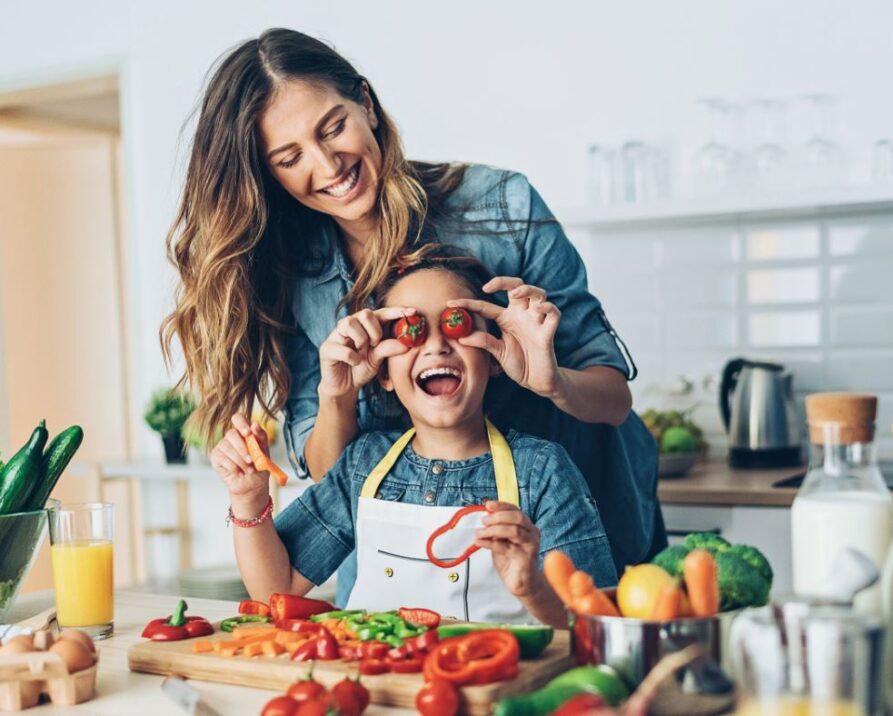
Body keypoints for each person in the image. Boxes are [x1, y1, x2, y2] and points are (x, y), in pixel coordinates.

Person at [160, 28, 663, 597]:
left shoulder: (504, 205)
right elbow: (332, 474)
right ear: (267, 172)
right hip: (401, 565)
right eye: (290, 156)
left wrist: (553, 382)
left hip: (561, 535)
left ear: (367, 105)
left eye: (333, 127)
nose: (328, 165)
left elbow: (613, 398)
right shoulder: (285, 271)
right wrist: (338, 394)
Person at [224, 252, 616, 627]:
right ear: (384, 373)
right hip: (378, 690)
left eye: (455, 323)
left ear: (494, 357)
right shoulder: (363, 463)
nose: (435, 344)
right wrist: (248, 500)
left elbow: (594, 623)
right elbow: (275, 588)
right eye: (410, 332)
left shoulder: (543, 469)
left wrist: (533, 590)